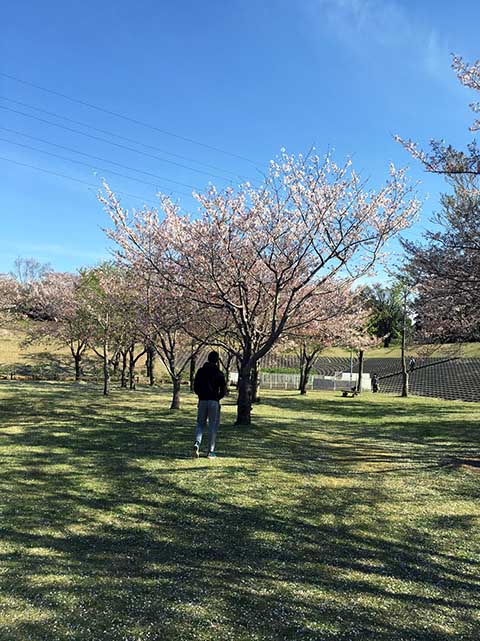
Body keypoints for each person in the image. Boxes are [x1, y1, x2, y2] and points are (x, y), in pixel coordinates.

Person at [192, 350, 227, 459]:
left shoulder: (200, 371)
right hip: (214, 401)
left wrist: (201, 395)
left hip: (202, 400)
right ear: (217, 360)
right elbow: (224, 390)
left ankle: (197, 443)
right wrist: (218, 397)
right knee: (213, 426)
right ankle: (210, 451)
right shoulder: (219, 373)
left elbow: (195, 387)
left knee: (200, 424)